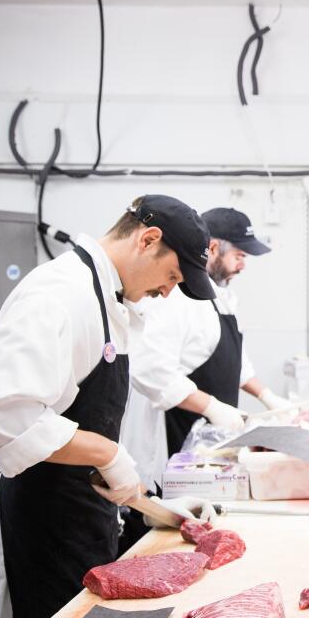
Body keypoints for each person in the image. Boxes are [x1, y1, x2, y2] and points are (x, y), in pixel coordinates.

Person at [0, 195, 218, 618]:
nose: (168, 293)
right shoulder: (59, 294)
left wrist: (149, 503)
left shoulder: (106, 299)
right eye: (172, 277)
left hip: (81, 517)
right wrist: (108, 453)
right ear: (148, 239)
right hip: (41, 529)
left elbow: (76, 419)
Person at [123, 207, 287, 502]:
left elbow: (237, 366)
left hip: (208, 453)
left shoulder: (224, 298)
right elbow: (150, 369)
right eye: (239, 256)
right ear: (213, 249)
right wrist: (213, 407)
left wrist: (269, 398)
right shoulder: (177, 299)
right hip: (173, 444)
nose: (242, 266)